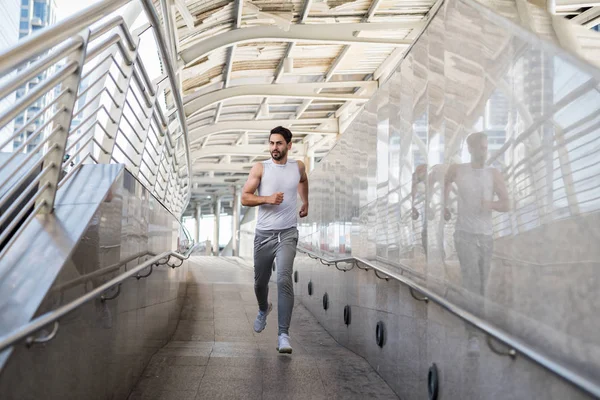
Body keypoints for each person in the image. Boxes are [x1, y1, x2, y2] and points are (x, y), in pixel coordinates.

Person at [241, 126, 309, 354]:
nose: (274, 148)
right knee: (260, 283)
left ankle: (283, 335)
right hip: (263, 235)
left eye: (279, 143)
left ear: (289, 145)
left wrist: (305, 202)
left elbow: (303, 180)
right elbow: (245, 198)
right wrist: (267, 198)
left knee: (283, 279)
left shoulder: (297, 166)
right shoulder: (261, 168)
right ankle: (263, 308)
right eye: (271, 143)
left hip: (287, 233)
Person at [444, 132, 508, 355]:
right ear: (470, 148)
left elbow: (507, 204)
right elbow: (446, 179)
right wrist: (444, 206)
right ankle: (473, 335)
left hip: (486, 236)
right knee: (471, 281)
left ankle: (476, 327)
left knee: (481, 284)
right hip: (464, 234)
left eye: (485, 147)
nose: (484, 151)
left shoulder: (493, 174)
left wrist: (488, 204)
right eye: (480, 147)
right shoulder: (459, 170)